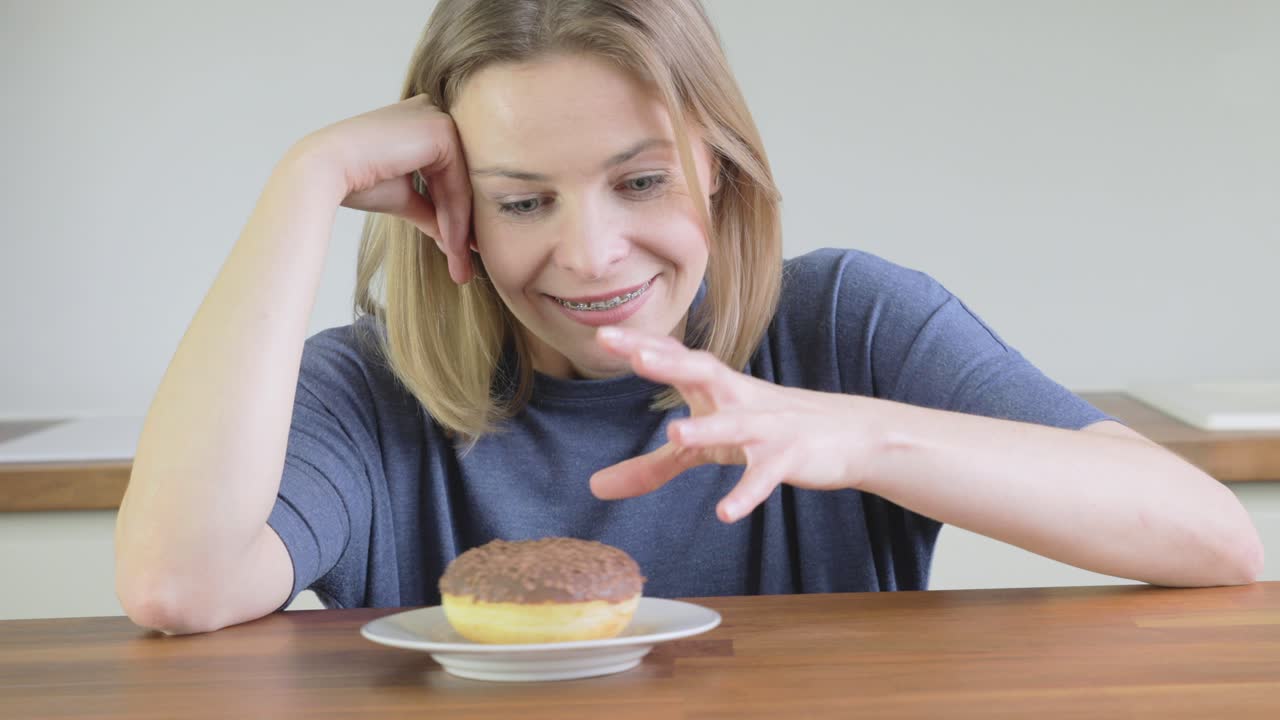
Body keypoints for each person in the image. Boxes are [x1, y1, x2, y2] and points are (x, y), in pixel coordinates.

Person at [114, 0, 1263, 635]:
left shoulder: (846, 321)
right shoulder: (362, 389)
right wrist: (305, 180)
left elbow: (1211, 541)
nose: (592, 252)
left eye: (639, 181)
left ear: (716, 166)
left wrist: (856, 434)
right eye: (523, 200)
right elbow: (178, 588)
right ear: (445, 203)